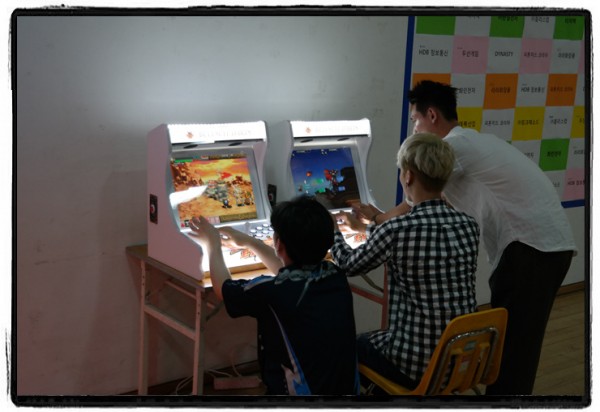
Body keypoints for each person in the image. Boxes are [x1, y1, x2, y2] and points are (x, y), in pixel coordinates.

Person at [355, 80, 577, 396]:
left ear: (432, 115)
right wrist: (381, 220)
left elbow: (414, 203)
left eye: (415, 120)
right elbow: (430, 205)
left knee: (513, 349)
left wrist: (377, 220)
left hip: (531, 247)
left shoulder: (452, 147)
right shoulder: (474, 142)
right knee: (517, 343)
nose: (415, 130)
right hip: (545, 244)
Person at [331, 132, 480, 392]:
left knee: (350, 346)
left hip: (417, 365)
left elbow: (347, 264)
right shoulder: (468, 225)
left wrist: (332, 231)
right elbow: (410, 237)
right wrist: (365, 228)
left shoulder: (397, 230)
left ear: (408, 176)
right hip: (462, 358)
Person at [189, 195, 359, 395]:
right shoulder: (335, 274)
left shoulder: (271, 290)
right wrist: (249, 242)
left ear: (278, 243)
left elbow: (223, 289)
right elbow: (289, 273)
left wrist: (212, 243)